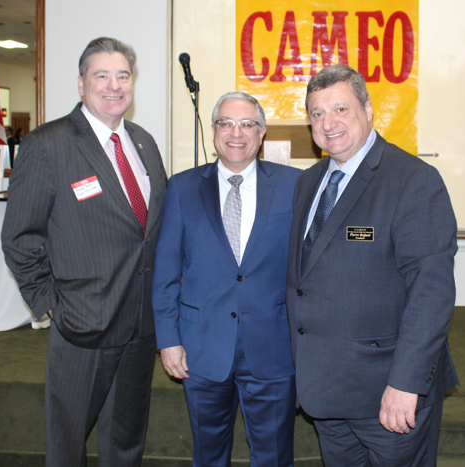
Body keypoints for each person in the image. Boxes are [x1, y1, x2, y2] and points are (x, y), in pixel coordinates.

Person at [1, 37, 167, 467]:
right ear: (81, 84)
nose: (114, 86)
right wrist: (49, 304)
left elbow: (148, 232)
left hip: (138, 327)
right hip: (81, 325)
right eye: (102, 76)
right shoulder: (47, 144)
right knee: (68, 442)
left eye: (123, 76)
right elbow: (20, 237)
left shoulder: (144, 142)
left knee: (126, 441)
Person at [286, 64, 458, 467]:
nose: (328, 123)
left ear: (367, 109)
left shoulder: (413, 179)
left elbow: (431, 293)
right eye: (316, 113)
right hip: (326, 394)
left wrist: (405, 383)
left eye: (340, 109)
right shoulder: (308, 183)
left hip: (389, 398)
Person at [152, 91, 300, 466]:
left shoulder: (295, 186)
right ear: (215, 130)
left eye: (247, 124)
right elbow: (166, 272)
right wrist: (168, 340)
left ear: (262, 132)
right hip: (201, 349)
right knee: (209, 455)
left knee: (274, 455)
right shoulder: (182, 188)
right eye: (226, 123)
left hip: (273, 347)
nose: (237, 133)